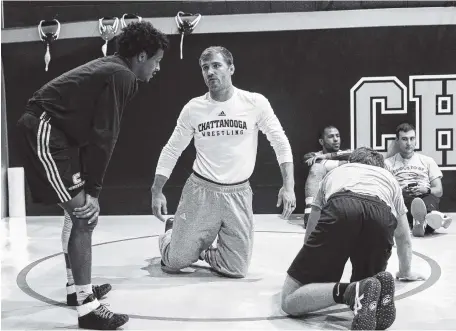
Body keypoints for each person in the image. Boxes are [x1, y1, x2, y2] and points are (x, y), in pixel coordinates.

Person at [16, 22, 169, 330]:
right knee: (85, 215)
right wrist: (94, 191)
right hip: (46, 130)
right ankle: (87, 309)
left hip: (57, 134)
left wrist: (87, 184)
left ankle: (76, 291)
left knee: (76, 215)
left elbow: (94, 132)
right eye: (157, 60)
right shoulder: (122, 75)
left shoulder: (115, 69)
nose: (158, 68)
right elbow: (105, 135)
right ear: (141, 56)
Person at [151, 46, 296, 278]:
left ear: (231, 68)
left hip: (238, 193)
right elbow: (171, 150)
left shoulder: (254, 103)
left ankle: (200, 250)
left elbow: (280, 142)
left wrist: (288, 186)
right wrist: (157, 190)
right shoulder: (193, 108)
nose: (210, 72)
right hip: (201, 190)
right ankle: (172, 233)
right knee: (175, 262)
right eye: (205, 68)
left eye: (216, 66)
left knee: (236, 269)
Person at [282, 147, 424, 330]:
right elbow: (403, 237)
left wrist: (311, 263)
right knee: (368, 286)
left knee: (290, 300)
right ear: (381, 167)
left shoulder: (336, 173)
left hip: (343, 205)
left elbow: (312, 229)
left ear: (352, 162)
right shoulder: (390, 180)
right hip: (380, 215)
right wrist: (405, 272)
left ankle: (350, 291)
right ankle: (371, 290)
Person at [385, 123, 452, 237]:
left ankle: (422, 221)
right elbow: (385, 191)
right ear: (397, 140)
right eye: (404, 139)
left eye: (412, 138)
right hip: (403, 199)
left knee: (427, 202)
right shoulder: (388, 163)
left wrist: (426, 190)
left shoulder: (427, 161)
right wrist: (400, 191)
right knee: (408, 203)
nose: (409, 143)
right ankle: (436, 219)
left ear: (416, 139)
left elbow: (439, 191)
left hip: (426, 196)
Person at [301, 126, 352, 227]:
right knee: (317, 167)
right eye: (331, 136)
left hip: (342, 201)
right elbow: (309, 160)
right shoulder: (312, 156)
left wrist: (326, 157)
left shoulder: (347, 153)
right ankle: (311, 213)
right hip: (322, 202)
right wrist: (342, 163)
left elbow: (354, 154)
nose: (336, 139)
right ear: (321, 141)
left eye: (338, 136)